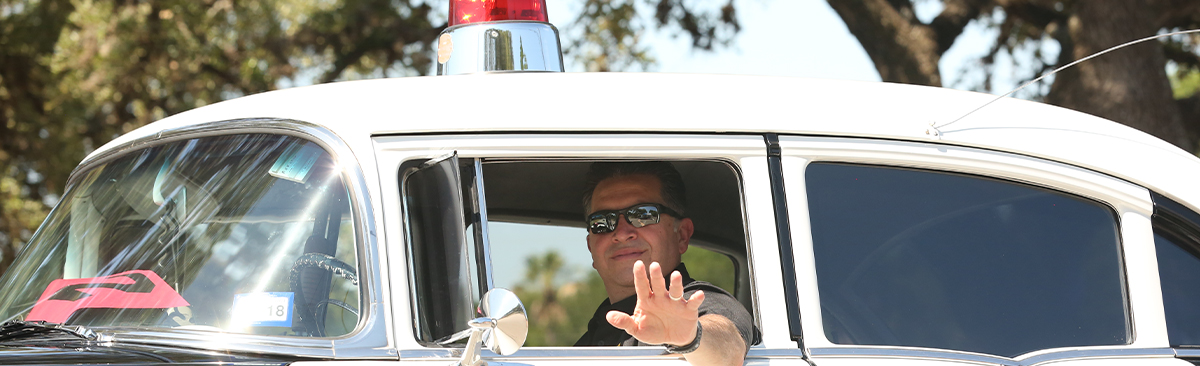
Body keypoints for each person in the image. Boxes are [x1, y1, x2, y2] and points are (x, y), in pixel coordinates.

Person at [574, 162, 760, 366]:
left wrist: (690, 338)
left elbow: (729, 348)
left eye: (643, 214)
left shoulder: (700, 303)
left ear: (681, 235)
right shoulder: (592, 337)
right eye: (602, 221)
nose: (621, 233)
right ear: (591, 248)